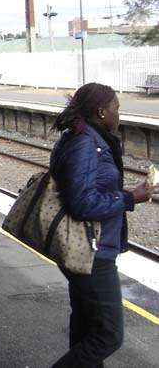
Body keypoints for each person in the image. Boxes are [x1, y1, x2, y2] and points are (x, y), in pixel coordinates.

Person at [48, 83, 152, 367]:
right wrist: (130, 198)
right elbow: (82, 203)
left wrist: (126, 193)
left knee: (86, 327)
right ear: (102, 112)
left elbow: (88, 190)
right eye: (117, 108)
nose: (119, 114)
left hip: (87, 247)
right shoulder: (86, 143)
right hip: (91, 250)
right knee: (108, 335)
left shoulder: (84, 137)